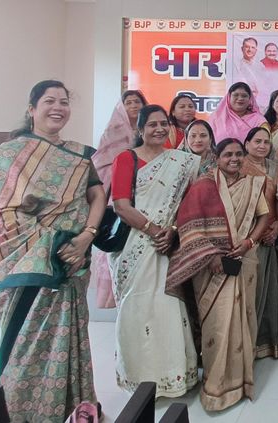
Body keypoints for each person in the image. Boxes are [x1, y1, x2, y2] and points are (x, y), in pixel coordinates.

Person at [0, 80, 104, 422]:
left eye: (64, 102)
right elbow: (0, 216)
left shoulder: (79, 155)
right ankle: (21, 412)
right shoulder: (6, 155)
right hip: (29, 263)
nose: (58, 108)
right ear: (32, 108)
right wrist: (55, 245)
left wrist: (86, 237)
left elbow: (97, 196)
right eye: (50, 101)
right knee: (26, 342)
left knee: (71, 336)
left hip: (73, 259)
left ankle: (74, 408)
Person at [166, 138, 270, 410]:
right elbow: (189, 225)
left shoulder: (251, 184)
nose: (234, 159)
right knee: (217, 324)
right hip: (211, 267)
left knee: (244, 318)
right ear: (217, 156)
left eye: (238, 154)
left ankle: (242, 381)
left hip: (245, 260)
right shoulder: (203, 186)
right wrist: (211, 255)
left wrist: (249, 242)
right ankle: (215, 388)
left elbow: (264, 217)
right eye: (228, 154)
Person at [109, 104, 200, 398]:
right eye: (152, 124)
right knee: (136, 308)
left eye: (163, 124)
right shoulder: (127, 158)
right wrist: (153, 230)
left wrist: (171, 231)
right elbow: (121, 205)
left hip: (166, 244)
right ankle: (139, 378)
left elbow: (186, 204)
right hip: (135, 244)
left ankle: (172, 376)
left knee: (167, 306)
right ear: (140, 129)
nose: (159, 129)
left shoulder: (180, 161)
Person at [91, 89, 148, 310]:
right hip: (118, 193)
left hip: (145, 192)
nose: (133, 106)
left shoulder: (151, 130)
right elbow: (99, 163)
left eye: (137, 102)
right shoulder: (112, 132)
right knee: (119, 242)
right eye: (129, 102)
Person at [242, 127, 278, 359]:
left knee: (269, 289)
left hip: (271, 235)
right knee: (250, 290)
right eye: (257, 141)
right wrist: (253, 234)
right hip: (247, 237)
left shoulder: (276, 168)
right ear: (247, 144)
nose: (262, 146)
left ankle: (267, 344)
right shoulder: (238, 166)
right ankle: (246, 345)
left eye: (266, 142)